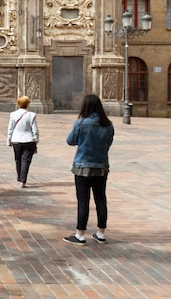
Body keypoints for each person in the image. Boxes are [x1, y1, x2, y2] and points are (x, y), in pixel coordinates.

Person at [63, 94, 114, 246]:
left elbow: (70, 141)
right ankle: (101, 233)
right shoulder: (108, 124)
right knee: (101, 199)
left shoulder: (81, 123)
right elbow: (108, 143)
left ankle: (80, 235)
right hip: (101, 166)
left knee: (83, 201)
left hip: (83, 167)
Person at [7, 95, 39, 188]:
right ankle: (22, 180)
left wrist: (9, 140)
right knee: (26, 161)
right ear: (28, 104)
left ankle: (19, 178)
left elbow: (10, 128)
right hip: (28, 140)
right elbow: (35, 129)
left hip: (16, 140)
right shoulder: (31, 115)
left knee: (18, 160)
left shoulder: (13, 114)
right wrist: (36, 139)